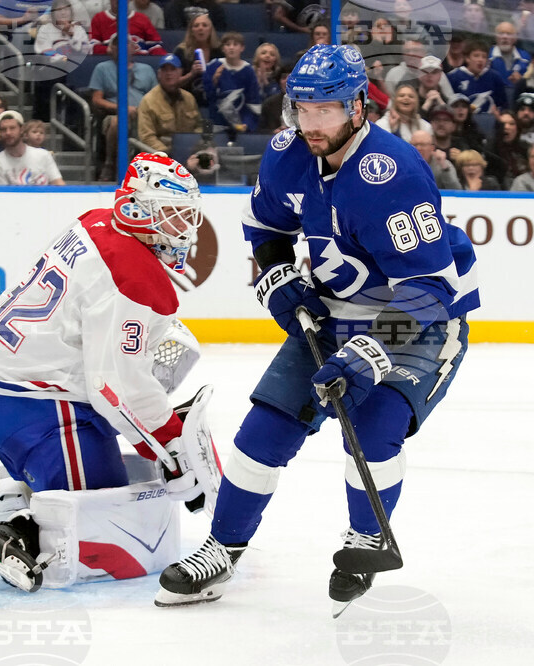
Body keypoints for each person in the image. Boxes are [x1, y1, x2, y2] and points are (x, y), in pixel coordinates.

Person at [154, 44, 479, 614]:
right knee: (262, 434)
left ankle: (366, 536)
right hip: (332, 317)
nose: (311, 123)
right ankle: (221, 547)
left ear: (358, 107)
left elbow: (432, 288)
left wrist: (371, 353)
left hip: (420, 323)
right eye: (302, 108)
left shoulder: (394, 172)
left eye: (325, 109)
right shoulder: (286, 154)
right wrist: (280, 280)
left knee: (374, 430)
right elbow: (266, 228)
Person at [0, 152, 220, 594]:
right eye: (170, 215)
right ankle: (10, 529)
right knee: (102, 521)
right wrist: (169, 444)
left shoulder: (99, 220)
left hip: (0, 385)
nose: (183, 229)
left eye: (186, 215)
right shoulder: (133, 275)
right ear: (136, 208)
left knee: (101, 493)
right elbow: (115, 383)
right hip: (35, 404)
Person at [90, 35, 158, 179]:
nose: (122, 47)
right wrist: (122, 109)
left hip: (143, 114)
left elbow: (156, 97)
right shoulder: (102, 68)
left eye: (126, 44)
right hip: (115, 114)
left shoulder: (146, 69)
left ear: (133, 48)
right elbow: (97, 100)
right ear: (111, 49)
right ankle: (109, 164)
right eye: (117, 44)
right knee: (117, 123)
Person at [138, 53, 201, 153]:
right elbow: (147, 137)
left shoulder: (189, 98)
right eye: (165, 70)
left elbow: (198, 127)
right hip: (161, 155)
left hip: (189, 152)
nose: (168, 73)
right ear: (159, 74)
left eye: (173, 69)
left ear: (181, 72)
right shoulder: (148, 101)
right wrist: (166, 154)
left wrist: (196, 147)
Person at [202, 32, 260, 134]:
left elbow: (253, 101)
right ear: (223, 48)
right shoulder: (213, 66)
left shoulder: (248, 71)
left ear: (242, 48)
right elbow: (206, 97)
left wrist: (247, 123)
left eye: (235, 44)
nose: (231, 48)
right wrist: (214, 82)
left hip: (240, 126)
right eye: (228, 44)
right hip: (216, 124)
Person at [0, 110, 65, 185]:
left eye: (12, 128)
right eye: (3, 129)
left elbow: (58, 184)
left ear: (22, 129)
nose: (8, 133)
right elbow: (1, 194)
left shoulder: (43, 155)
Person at [173, 11, 223, 109]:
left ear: (211, 30)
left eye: (205, 25)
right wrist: (191, 74)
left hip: (216, 102)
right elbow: (173, 83)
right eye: (196, 26)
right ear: (191, 31)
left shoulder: (220, 51)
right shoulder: (181, 51)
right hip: (186, 104)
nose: (200, 28)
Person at [447, 39, 508, 114]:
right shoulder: (453, 76)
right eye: (476, 56)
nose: (480, 60)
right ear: (467, 58)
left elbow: (503, 106)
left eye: (484, 57)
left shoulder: (495, 77)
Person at [89, 0, 165, 55]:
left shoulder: (142, 18)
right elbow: (92, 47)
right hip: (110, 61)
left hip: (140, 62)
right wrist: (110, 50)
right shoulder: (99, 18)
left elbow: (155, 46)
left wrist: (165, 57)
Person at [489, 21, 530, 97]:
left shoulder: (525, 57)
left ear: (515, 38)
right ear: (495, 37)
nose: (505, 37)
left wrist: (521, 82)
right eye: (501, 33)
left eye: (509, 34)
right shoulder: (487, 56)